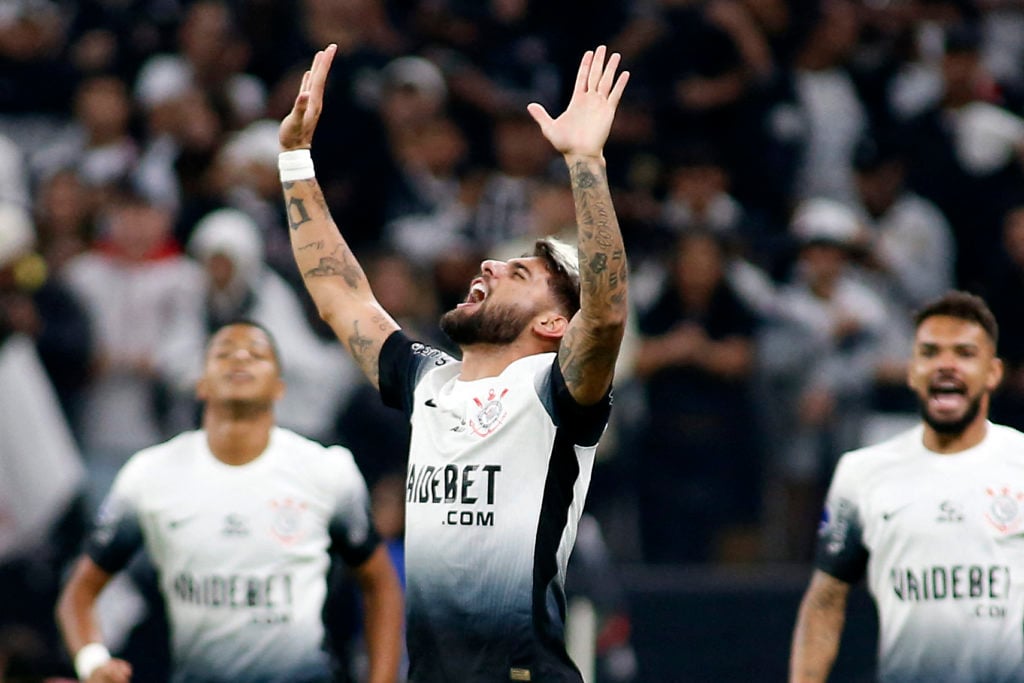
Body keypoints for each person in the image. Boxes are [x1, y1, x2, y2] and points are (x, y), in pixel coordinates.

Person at [278, 43, 630, 682]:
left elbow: (604, 316)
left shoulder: (554, 393)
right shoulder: (429, 379)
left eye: (519, 272)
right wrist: (295, 159)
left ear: (554, 323)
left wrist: (585, 163)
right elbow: (341, 296)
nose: (490, 264)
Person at [56, 321, 404, 683]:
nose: (239, 357)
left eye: (256, 353)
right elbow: (79, 593)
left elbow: (380, 585)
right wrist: (93, 661)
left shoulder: (327, 470)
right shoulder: (149, 475)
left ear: (280, 387)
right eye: (223, 353)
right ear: (201, 383)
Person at [789, 291, 1024, 683]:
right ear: (912, 369)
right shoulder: (861, 473)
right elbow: (825, 600)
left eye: (964, 353)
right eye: (930, 352)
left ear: (993, 373)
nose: (945, 365)